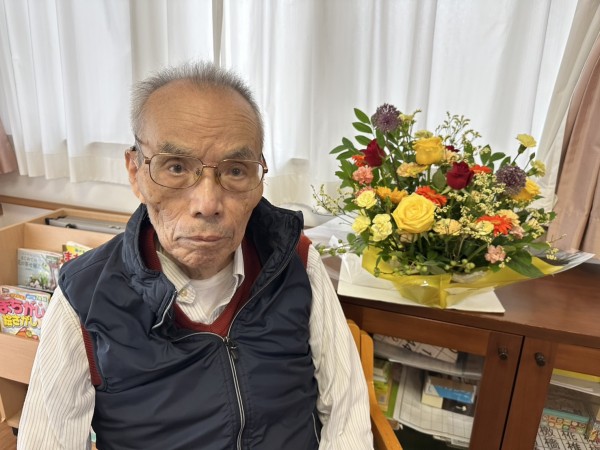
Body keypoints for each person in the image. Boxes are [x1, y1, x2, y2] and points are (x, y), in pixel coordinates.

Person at [17, 61, 373, 450]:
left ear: (259, 179)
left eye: (235, 171)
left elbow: (346, 412)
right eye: (175, 167)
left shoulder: (295, 260)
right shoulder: (83, 296)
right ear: (135, 172)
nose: (207, 204)